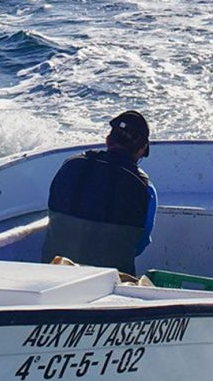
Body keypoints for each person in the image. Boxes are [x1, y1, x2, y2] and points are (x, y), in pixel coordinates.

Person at [40, 110, 157, 276]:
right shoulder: (145, 188)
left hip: (54, 276)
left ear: (108, 140)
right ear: (141, 150)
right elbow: (140, 245)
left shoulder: (70, 166)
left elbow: (54, 216)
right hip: (108, 286)